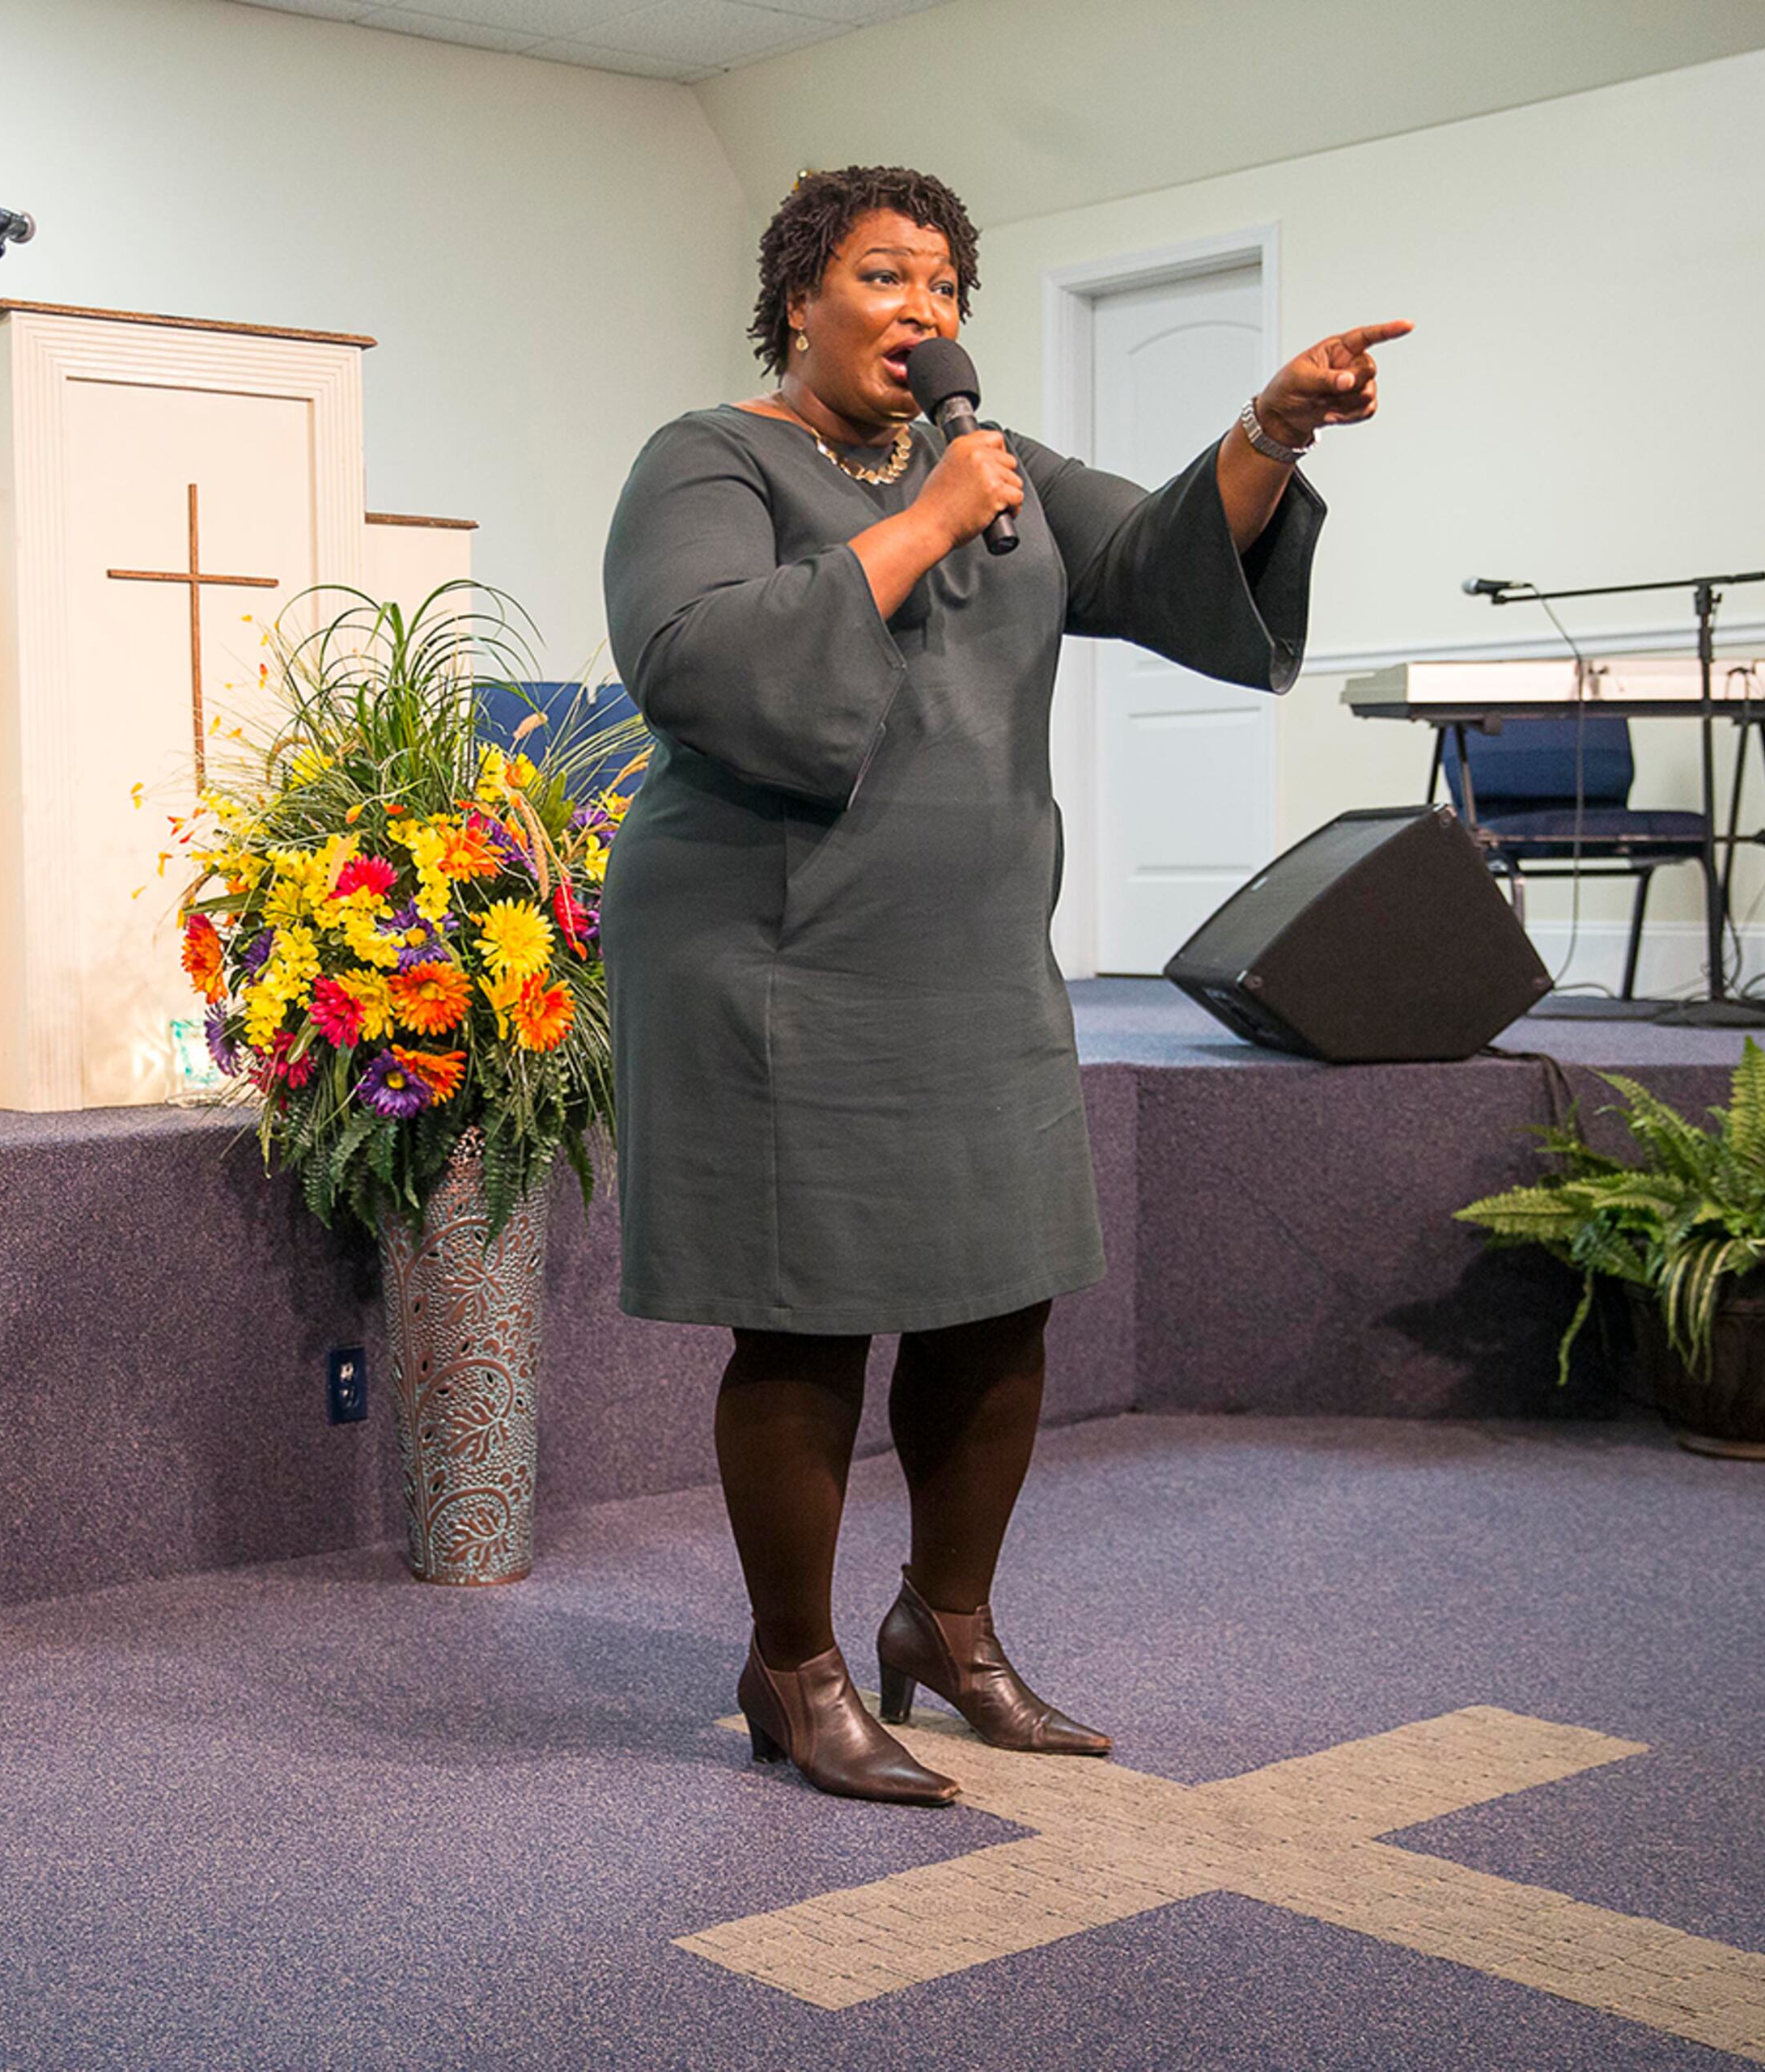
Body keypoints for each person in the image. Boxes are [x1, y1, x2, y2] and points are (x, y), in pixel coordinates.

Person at [600, 165, 1404, 1806]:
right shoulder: (712, 456)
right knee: (809, 1312)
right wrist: (922, 526)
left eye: (947, 285)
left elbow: (1179, 560)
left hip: (970, 953)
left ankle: (945, 1633)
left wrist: (1268, 428)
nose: (924, 311)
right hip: (775, 952)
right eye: (885, 277)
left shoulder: (1003, 465)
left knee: (1001, 1282)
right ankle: (796, 1667)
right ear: (800, 298)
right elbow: (694, 664)